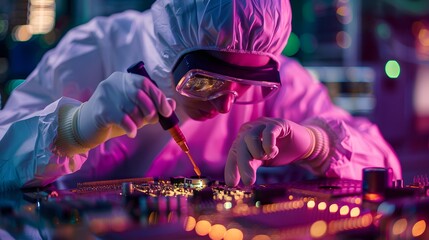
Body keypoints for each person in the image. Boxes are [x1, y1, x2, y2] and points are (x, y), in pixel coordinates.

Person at [0, 0, 402, 191]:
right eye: (207, 81)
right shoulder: (96, 49)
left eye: (245, 85)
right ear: (167, 54)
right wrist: (76, 127)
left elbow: (387, 166)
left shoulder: (279, 80)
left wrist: (317, 143)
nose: (228, 104)